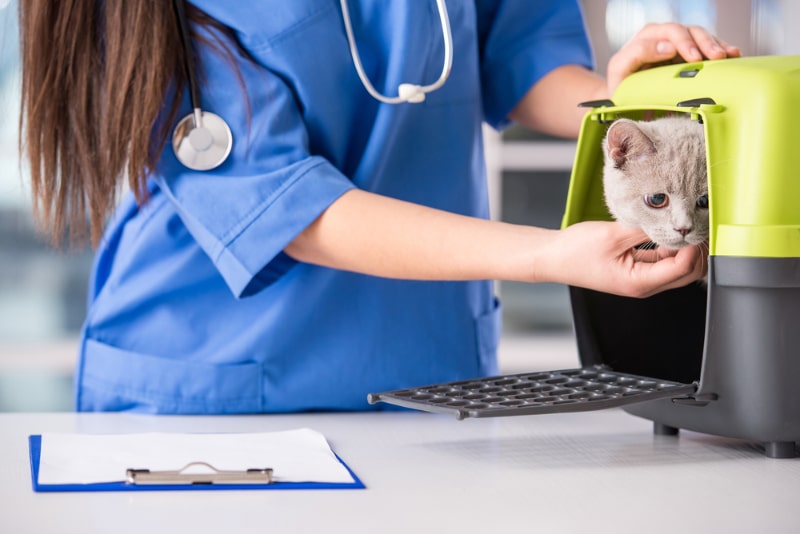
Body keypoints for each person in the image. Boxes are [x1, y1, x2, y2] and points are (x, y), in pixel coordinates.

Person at [18, 1, 739, 414]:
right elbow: (288, 211)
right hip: (209, 379)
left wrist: (629, 99)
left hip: (421, 372)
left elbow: (517, 56)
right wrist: (550, 257)